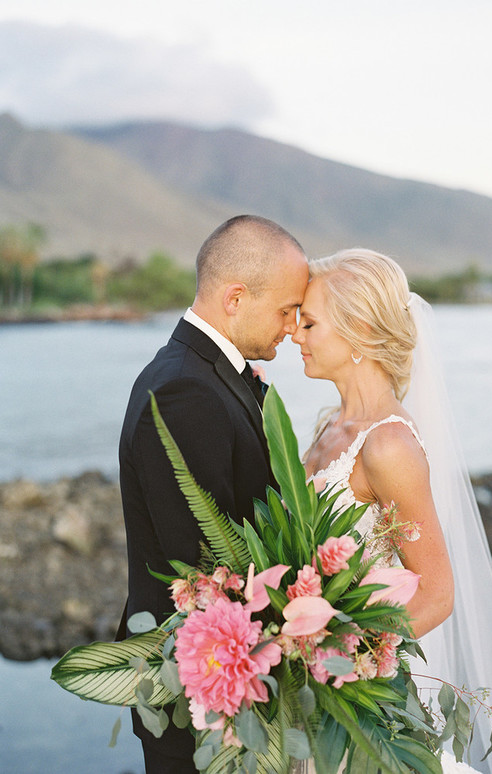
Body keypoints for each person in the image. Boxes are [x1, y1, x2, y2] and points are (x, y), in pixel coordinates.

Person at [292, 248, 492, 773]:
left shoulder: (387, 446)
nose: (296, 335)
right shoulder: (330, 426)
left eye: (310, 323)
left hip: (356, 696)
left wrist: (346, 662)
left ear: (358, 330)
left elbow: (437, 594)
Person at [118, 215, 309, 774]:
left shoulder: (206, 375)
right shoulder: (186, 390)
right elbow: (205, 567)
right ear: (235, 298)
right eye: (285, 310)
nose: (292, 326)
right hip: (199, 696)